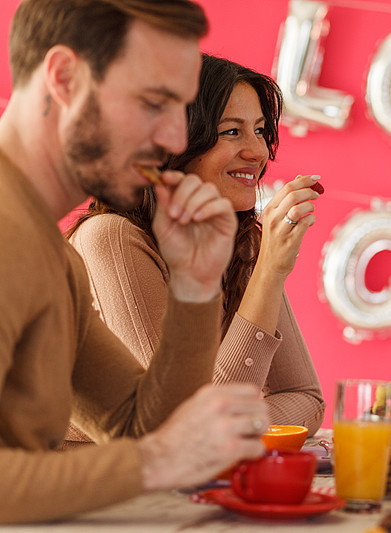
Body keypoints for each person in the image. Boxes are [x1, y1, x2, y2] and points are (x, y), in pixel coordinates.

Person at [0, 0, 269, 524]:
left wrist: (195, 286)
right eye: (153, 103)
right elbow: (154, 452)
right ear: (64, 77)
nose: (173, 138)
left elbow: (140, 429)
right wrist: (157, 460)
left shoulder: (47, 251)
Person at [64, 54, 326, 445]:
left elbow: (305, 398)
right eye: (231, 132)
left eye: (258, 130)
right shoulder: (111, 239)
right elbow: (181, 429)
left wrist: (232, 427)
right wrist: (270, 269)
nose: (257, 152)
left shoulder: (242, 245)